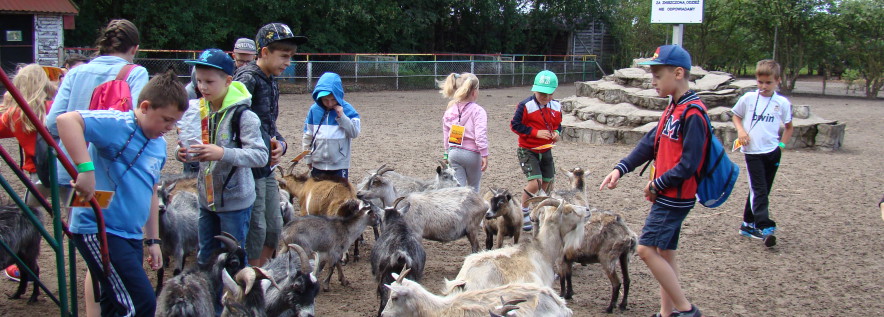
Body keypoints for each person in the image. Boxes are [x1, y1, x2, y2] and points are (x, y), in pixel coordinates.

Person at [57, 70, 187, 317]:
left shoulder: (158, 145)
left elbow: (151, 190)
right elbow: (67, 121)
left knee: (115, 304)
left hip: (130, 234)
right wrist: (85, 169)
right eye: (166, 120)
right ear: (145, 107)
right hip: (100, 229)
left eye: (175, 122)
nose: (170, 128)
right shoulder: (117, 124)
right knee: (141, 305)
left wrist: (153, 240)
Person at [41, 19, 147, 317]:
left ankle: (92, 312)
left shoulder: (76, 73)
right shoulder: (135, 73)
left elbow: (52, 122)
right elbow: (137, 119)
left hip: (71, 173)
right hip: (106, 174)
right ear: (135, 49)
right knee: (108, 247)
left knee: (94, 248)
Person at [599, 45, 706, 317]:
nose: (653, 80)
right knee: (665, 253)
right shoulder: (674, 107)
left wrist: (656, 184)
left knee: (645, 250)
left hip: (674, 196)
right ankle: (666, 312)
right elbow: (651, 143)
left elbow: (690, 164)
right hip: (668, 194)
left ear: (678, 73)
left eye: (658, 75)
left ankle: (686, 309)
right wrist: (620, 168)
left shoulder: (693, 113)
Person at [177, 48, 268, 267]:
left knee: (232, 260)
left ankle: (234, 300)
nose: (202, 87)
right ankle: (212, 301)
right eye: (199, 81)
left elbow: (260, 156)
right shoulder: (197, 110)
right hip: (206, 201)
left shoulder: (244, 116)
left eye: (209, 81)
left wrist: (222, 153)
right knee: (205, 257)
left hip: (235, 203)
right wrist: (181, 154)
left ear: (228, 81)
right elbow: (189, 145)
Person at [234, 22, 305, 266]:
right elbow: (233, 123)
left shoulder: (270, 79)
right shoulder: (246, 80)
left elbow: (268, 125)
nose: (288, 62)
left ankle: (262, 274)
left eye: (291, 56)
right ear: (264, 52)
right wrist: (258, 149)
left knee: (274, 228)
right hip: (249, 171)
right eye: (284, 56)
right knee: (257, 228)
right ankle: (252, 280)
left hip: (266, 168)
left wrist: (281, 145)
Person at [0, 64, 54, 283]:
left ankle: (19, 264)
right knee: (77, 220)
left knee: (27, 218)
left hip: (37, 176)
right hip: (66, 175)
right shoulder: (54, 108)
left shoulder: (14, 115)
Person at [731, 59, 793, 247]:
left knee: (762, 189)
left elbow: (789, 127)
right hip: (753, 152)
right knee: (759, 189)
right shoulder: (748, 99)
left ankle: (747, 224)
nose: (763, 86)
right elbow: (736, 116)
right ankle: (765, 226)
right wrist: (741, 131)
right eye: (760, 82)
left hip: (772, 151)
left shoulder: (782, 103)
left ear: (777, 81)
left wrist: (781, 146)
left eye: (768, 82)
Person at [510, 70, 562, 231]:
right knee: (535, 181)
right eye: (541, 94)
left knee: (547, 180)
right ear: (534, 90)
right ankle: (523, 210)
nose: (545, 98)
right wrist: (535, 132)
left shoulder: (557, 105)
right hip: (528, 149)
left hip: (546, 149)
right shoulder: (526, 105)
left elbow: (558, 125)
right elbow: (515, 125)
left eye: (548, 94)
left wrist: (557, 133)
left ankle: (537, 209)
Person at [302, 72, 361, 180]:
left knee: (340, 196)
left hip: (339, 165)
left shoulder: (348, 110)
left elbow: (354, 133)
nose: (329, 103)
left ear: (338, 95)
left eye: (333, 99)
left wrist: (342, 117)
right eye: (325, 100)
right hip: (317, 164)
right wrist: (308, 158)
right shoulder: (314, 110)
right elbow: (308, 135)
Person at [439, 72, 488, 192]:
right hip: (472, 154)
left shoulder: (449, 110)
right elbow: (480, 135)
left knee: (459, 191)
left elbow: (446, 136)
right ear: (474, 92)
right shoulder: (478, 111)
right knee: (473, 189)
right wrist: (484, 154)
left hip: (454, 153)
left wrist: (446, 153)